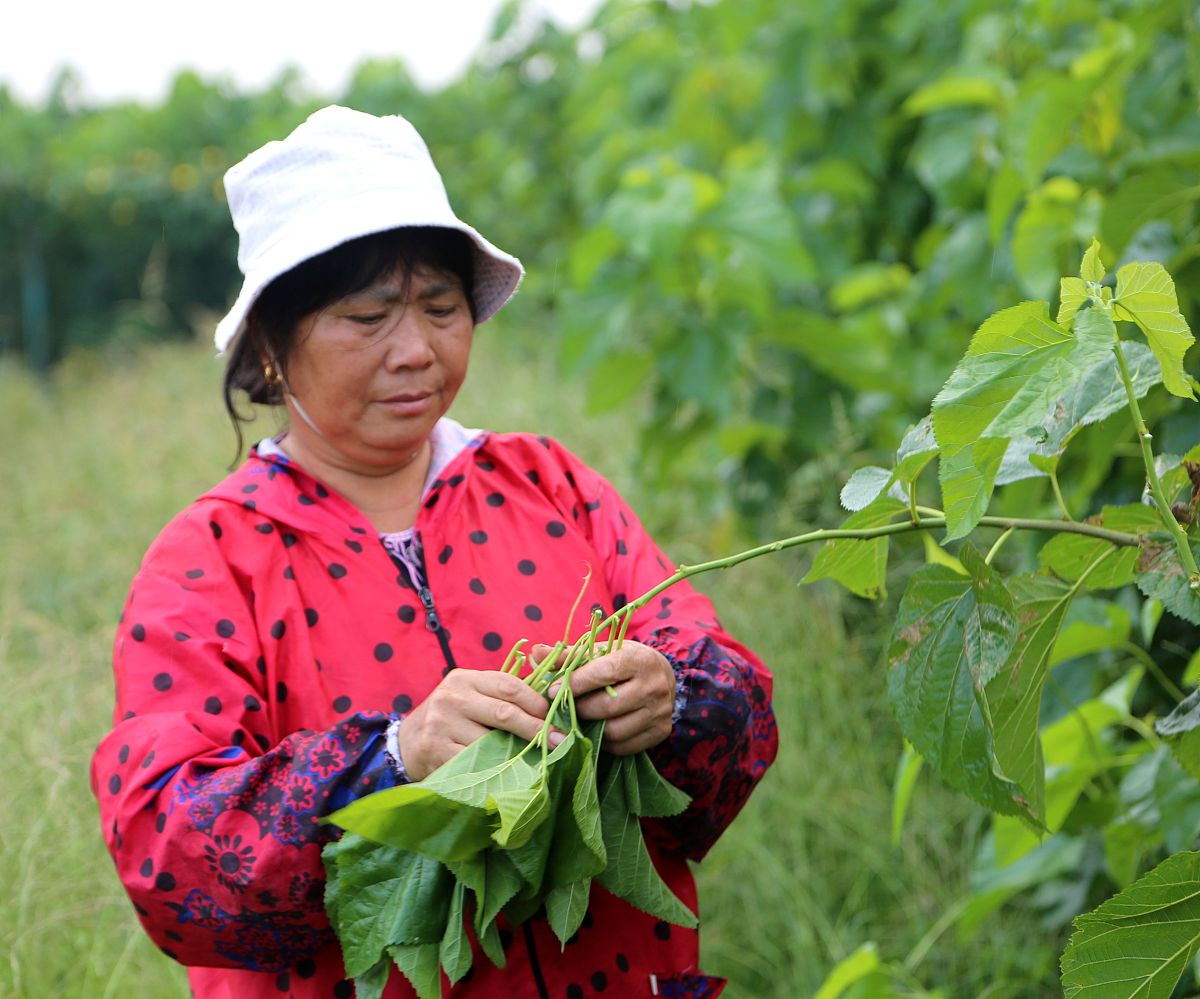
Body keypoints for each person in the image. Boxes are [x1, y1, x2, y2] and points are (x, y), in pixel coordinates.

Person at [91, 106, 777, 999]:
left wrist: (673, 697)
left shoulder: (549, 485)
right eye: (367, 317)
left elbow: (733, 698)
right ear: (270, 344)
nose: (415, 351)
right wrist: (394, 757)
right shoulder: (212, 558)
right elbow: (168, 858)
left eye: (441, 308)